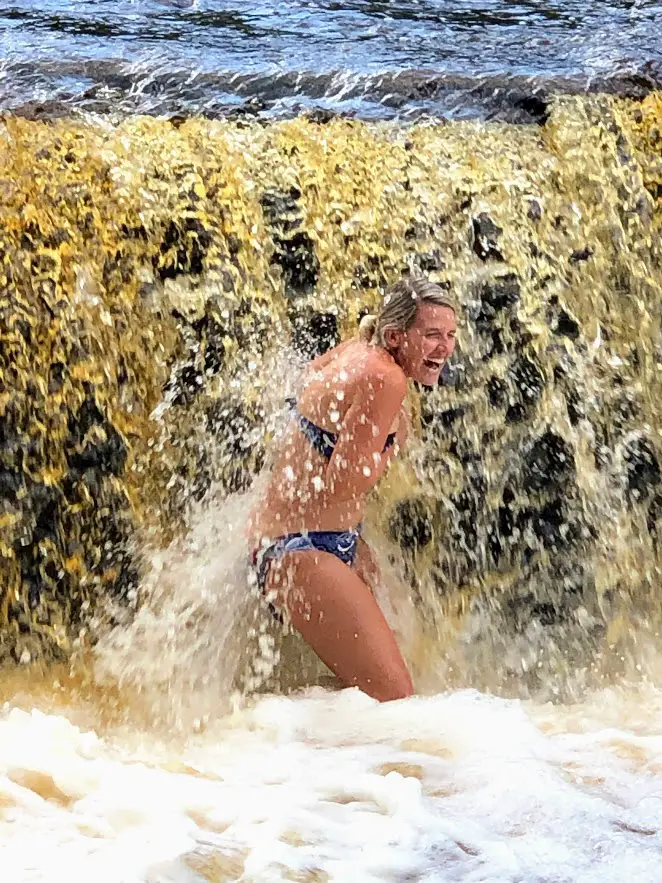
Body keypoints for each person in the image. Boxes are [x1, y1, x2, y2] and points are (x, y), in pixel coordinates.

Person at [247, 276, 457, 701]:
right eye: (432, 335)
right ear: (398, 336)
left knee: (380, 679)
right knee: (394, 696)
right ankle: (270, 738)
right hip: (301, 553)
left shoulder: (357, 348)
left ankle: (282, 738)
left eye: (451, 335)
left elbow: (303, 384)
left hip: (305, 541)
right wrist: (391, 442)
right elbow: (342, 483)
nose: (445, 348)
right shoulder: (387, 379)